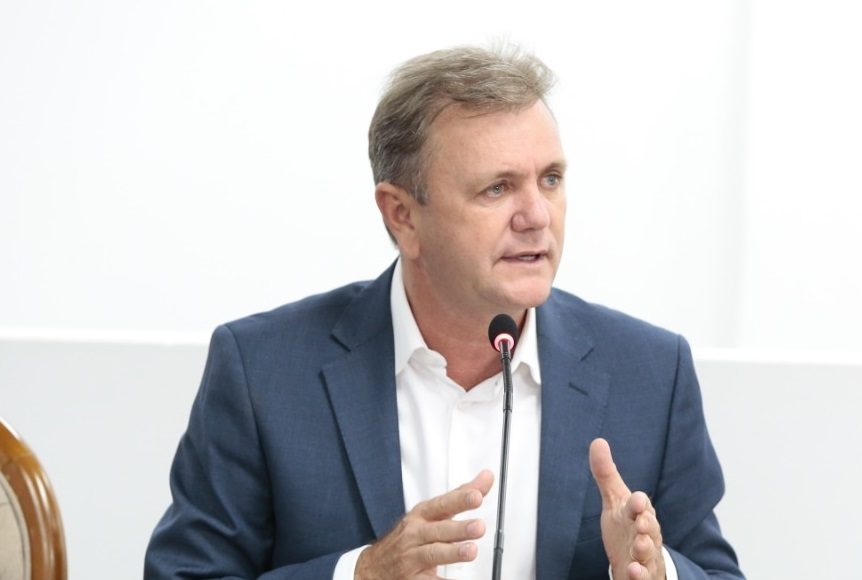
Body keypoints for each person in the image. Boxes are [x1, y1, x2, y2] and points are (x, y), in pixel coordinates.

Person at [145, 45, 743, 580]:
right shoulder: (264, 370)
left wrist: (654, 572)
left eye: (551, 179)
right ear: (402, 215)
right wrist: (361, 576)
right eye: (497, 188)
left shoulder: (651, 373)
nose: (537, 215)